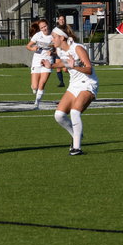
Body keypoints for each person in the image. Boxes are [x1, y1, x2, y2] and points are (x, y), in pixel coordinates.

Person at [42, 23, 99, 156]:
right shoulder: (60, 50)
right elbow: (64, 63)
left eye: (54, 36)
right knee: (59, 115)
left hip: (88, 83)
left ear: (62, 37)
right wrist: (51, 65)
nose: (52, 39)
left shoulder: (78, 48)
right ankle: (76, 134)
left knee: (74, 112)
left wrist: (74, 67)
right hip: (74, 84)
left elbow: (89, 70)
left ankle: (76, 148)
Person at [26, 18, 54, 109]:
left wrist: (52, 53)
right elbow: (28, 46)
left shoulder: (54, 36)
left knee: (42, 84)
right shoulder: (37, 35)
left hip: (47, 61)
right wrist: (32, 48)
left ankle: (37, 103)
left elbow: (59, 50)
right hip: (37, 61)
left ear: (48, 25)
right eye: (42, 28)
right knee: (35, 86)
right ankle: (34, 89)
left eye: (45, 26)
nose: (44, 29)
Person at [54, 14, 68, 87]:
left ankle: (77, 76)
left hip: (65, 51)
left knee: (65, 69)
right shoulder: (56, 29)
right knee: (58, 68)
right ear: (58, 20)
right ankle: (61, 83)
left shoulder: (67, 28)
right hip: (59, 51)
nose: (61, 21)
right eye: (60, 19)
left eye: (63, 19)